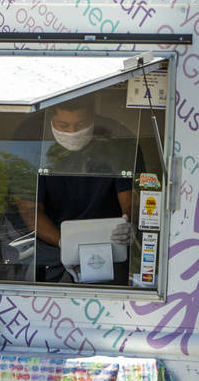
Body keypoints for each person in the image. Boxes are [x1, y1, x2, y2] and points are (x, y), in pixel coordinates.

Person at [11, 97, 135, 282]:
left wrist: (127, 223)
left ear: (93, 117)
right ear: (50, 120)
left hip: (107, 245)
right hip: (48, 247)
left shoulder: (117, 138)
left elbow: (132, 198)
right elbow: (30, 211)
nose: (72, 132)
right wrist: (66, 243)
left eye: (81, 125)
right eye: (63, 125)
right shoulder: (29, 139)